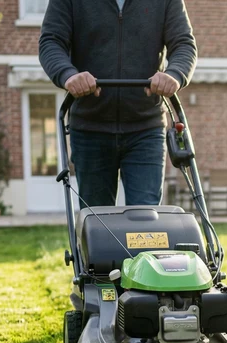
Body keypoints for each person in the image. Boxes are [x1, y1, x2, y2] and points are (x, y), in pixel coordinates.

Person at [39, 0, 197, 207]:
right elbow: (51, 42)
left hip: (146, 127)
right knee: (96, 218)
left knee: (146, 218)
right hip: (90, 127)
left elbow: (184, 44)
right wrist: (68, 75)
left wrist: (174, 74)